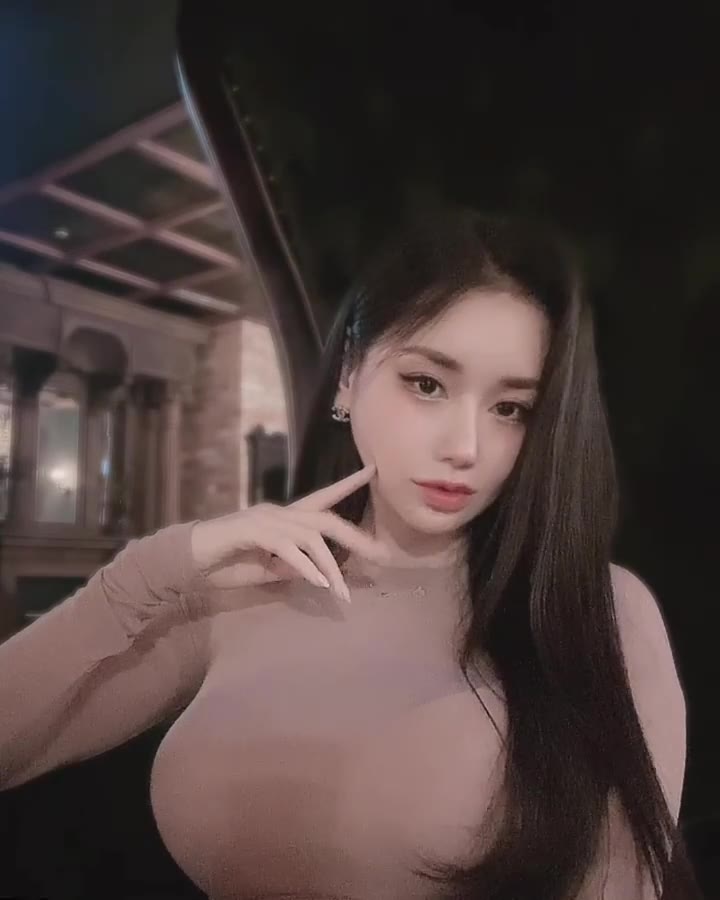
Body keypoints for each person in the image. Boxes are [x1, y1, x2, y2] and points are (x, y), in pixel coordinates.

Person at [0, 209, 701, 899]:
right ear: (347, 376)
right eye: (427, 384)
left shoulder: (597, 611)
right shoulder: (238, 590)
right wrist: (153, 570)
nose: (466, 447)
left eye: (509, 409)